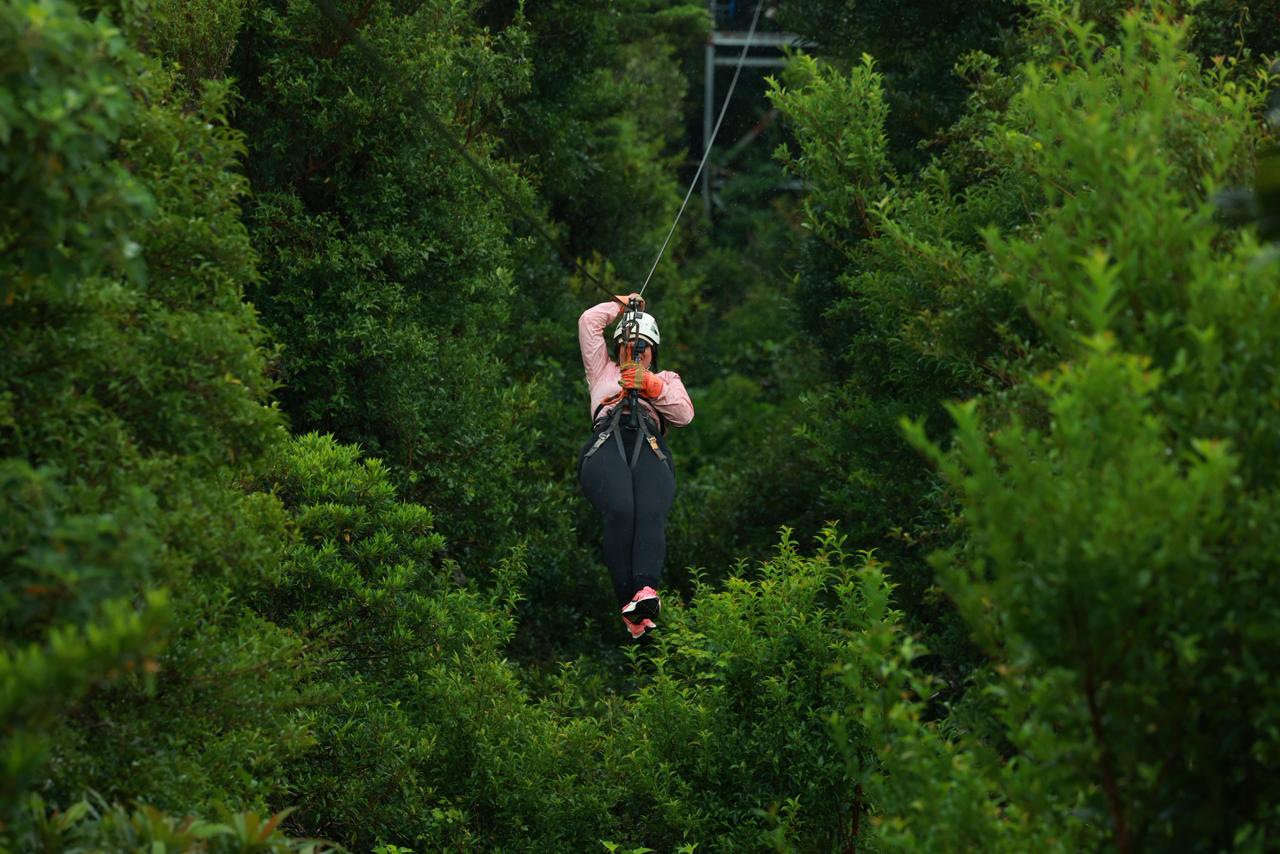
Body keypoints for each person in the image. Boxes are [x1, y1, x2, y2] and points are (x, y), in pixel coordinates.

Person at [577, 293, 694, 639]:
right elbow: (588, 323)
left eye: (642, 346)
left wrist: (650, 384)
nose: (635, 351)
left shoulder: (667, 379)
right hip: (607, 440)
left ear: (653, 351)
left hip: (649, 442)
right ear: (618, 349)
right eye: (629, 345)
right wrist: (620, 304)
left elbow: (684, 414)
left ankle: (644, 593)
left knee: (650, 511)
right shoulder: (602, 371)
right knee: (622, 510)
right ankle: (626, 598)